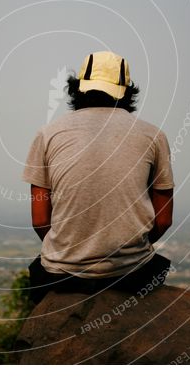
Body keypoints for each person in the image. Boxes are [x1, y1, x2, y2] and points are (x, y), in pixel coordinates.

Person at [22, 50, 175, 304]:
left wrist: (71, 251)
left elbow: (40, 220)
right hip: (131, 274)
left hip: (61, 275)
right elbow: (164, 219)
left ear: (78, 89)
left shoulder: (47, 135)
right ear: (126, 91)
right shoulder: (153, 136)